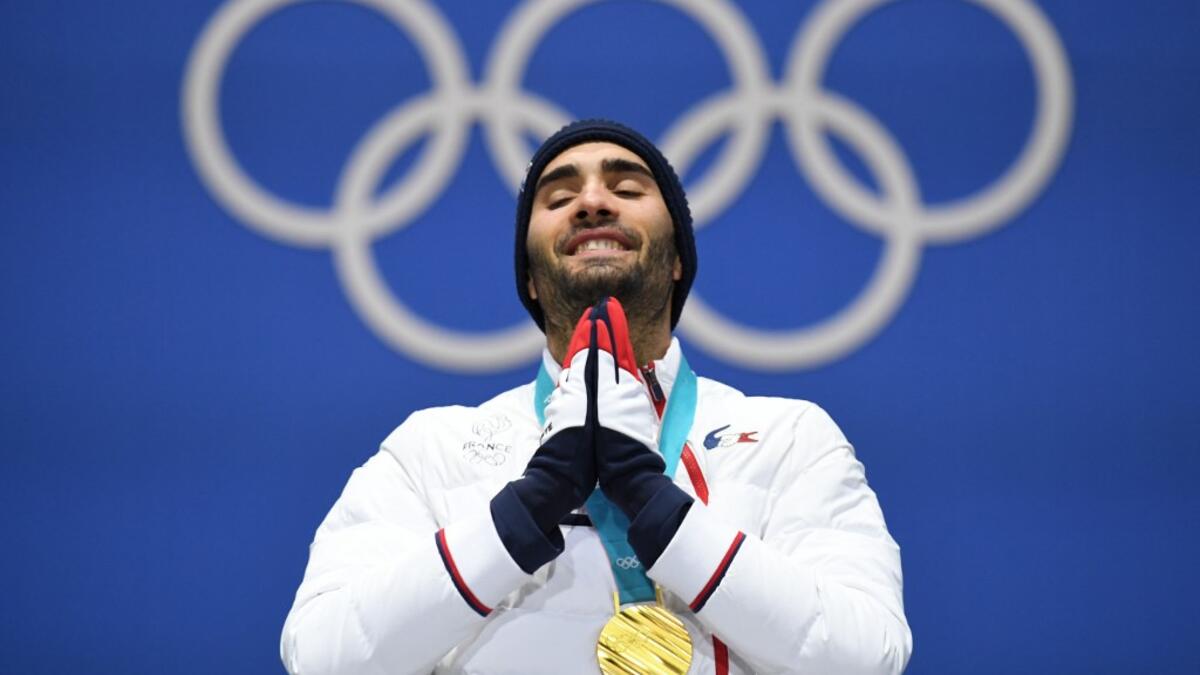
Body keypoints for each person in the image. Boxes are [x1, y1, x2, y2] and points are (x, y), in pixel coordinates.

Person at [280, 120, 912, 674]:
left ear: (677, 261)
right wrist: (521, 516)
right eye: (559, 198)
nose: (591, 202)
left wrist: (660, 509)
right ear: (530, 278)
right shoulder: (431, 449)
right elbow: (323, 657)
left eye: (627, 189)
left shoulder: (789, 438)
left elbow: (865, 658)